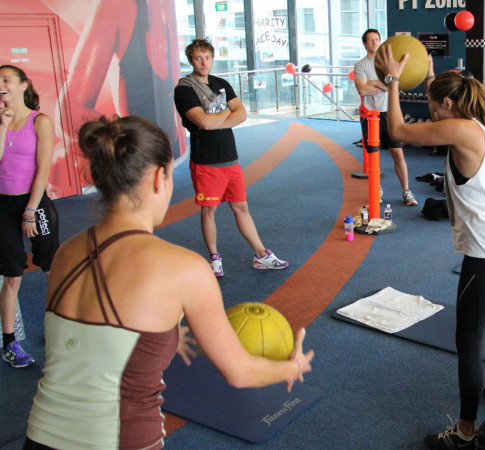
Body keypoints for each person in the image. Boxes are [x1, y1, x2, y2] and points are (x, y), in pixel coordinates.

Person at [24, 116, 314, 449]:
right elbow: (240, 372)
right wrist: (292, 367)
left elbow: (91, 337)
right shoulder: (184, 268)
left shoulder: (65, 253)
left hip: (39, 436)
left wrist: (161, 337)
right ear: (159, 178)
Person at [376, 48, 485, 449]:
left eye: (434, 107)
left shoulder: (461, 129)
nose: (433, 116)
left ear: (448, 105)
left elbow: (400, 131)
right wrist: (429, 76)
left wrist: (393, 80)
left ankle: (464, 431)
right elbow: (444, 103)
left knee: (469, 344)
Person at [174, 38, 287, 277]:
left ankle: (261, 255)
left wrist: (217, 118)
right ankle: (214, 258)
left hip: (230, 158)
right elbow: (203, 122)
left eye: (207, 57)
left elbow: (242, 114)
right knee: (209, 210)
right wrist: (226, 114)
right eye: (198, 58)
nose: (204, 62)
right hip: (206, 161)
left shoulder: (221, 83)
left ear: (213, 58)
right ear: (191, 60)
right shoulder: (184, 89)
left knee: (241, 207)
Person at [0, 65, 59, 368]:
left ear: (23, 85)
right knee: (12, 275)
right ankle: (10, 343)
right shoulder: (0, 120)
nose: (1, 85)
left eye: (5, 80)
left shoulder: (40, 121)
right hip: (3, 205)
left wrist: (30, 210)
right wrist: (2, 124)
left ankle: (61, 325)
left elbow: (43, 170)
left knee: (50, 267)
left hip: (33, 202)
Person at [354, 29, 418, 206]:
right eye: (371, 40)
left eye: (377, 39)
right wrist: (386, 84)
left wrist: (373, 83)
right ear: (365, 44)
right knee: (374, 157)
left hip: (389, 113)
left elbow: (395, 85)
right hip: (369, 115)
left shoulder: (388, 64)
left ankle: (406, 191)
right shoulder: (361, 65)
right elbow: (362, 89)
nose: (375, 43)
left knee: (398, 153)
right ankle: (377, 191)